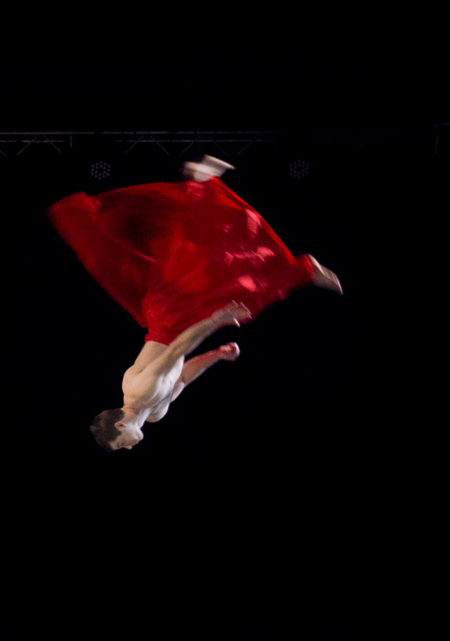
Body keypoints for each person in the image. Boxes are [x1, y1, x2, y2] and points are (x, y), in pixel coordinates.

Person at [48, 155, 342, 451]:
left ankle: (202, 185)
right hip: (181, 325)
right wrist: (216, 355)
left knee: (206, 263)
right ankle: (300, 270)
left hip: (171, 318)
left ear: (120, 426)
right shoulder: (154, 414)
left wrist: (215, 321)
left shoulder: (139, 392)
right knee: (229, 283)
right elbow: (182, 377)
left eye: (120, 444)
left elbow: (177, 349)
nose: (127, 448)